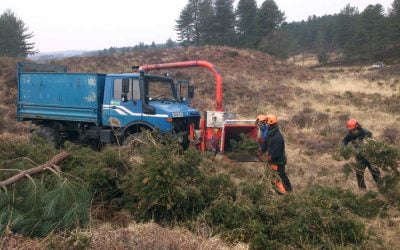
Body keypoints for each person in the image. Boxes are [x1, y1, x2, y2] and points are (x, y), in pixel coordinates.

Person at [342, 119, 382, 190]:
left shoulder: (366, 133)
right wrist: (344, 147)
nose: (352, 131)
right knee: (359, 174)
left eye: (353, 129)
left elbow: (370, 143)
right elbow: (345, 141)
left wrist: (361, 143)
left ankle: (381, 188)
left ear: (357, 127)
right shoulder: (350, 134)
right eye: (350, 130)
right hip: (360, 157)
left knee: (375, 173)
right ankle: (362, 190)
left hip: (370, 156)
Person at [259, 114, 292, 193]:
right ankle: (275, 191)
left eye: (267, 123)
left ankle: (288, 191)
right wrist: (261, 152)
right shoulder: (269, 134)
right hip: (271, 161)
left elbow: (276, 153)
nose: (265, 125)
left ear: (271, 124)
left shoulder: (278, 137)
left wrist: (269, 158)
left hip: (278, 161)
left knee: (281, 176)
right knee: (271, 176)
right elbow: (265, 145)